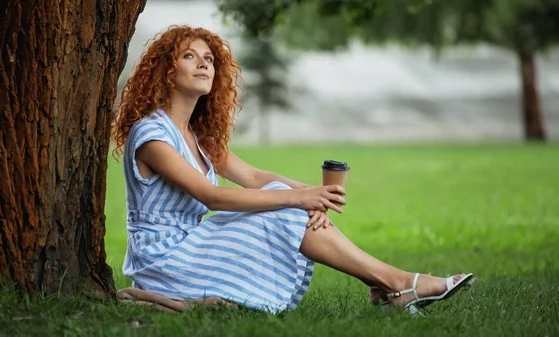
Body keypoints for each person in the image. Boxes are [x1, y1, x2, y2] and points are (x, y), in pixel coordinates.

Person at [111, 25, 473, 315]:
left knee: (286, 203)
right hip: (164, 260)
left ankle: (392, 284)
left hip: (192, 247)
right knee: (283, 205)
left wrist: (315, 196)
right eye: (189, 56)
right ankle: (397, 284)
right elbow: (213, 196)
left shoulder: (197, 137)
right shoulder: (152, 134)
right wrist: (301, 197)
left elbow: (253, 178)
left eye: (208, 58)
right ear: (166, 71)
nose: (204, 63)